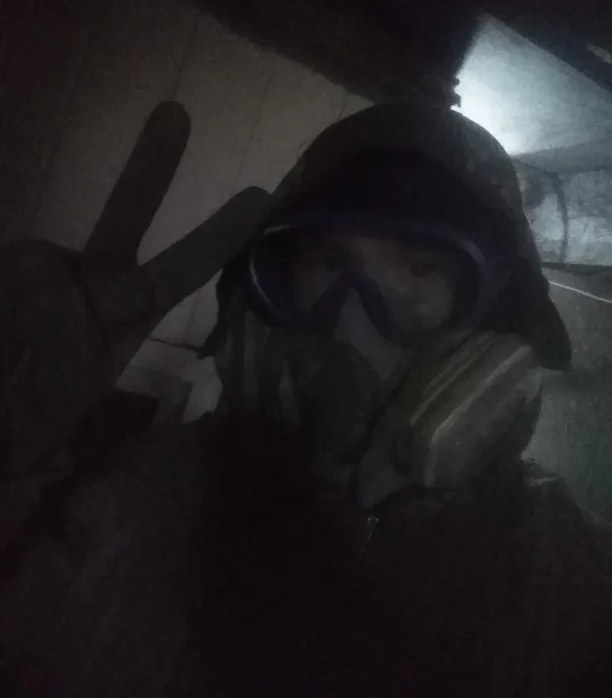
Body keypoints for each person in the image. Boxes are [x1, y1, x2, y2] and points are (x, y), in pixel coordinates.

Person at [1, 102, 611, 698]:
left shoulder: (557, 566)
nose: (352, 319)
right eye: (326, 261)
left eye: (418, 269)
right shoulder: (146, 497)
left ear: (495, 316)